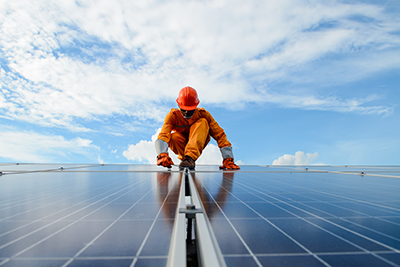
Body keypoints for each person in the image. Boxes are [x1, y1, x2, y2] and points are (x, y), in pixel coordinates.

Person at [155, 86, 240, 170]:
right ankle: (186, 159)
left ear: (196, 105)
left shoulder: (204, 114)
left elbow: (220, 135)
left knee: (203, 122)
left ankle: (189, 158)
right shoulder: (172, 116)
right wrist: (162, 154)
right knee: (173, 137)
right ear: (178, 105)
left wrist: (228, 158)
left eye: (190, 110)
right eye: (184, 109)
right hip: (182, 147)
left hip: (198, 141)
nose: (187, 113)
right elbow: (163, 135)